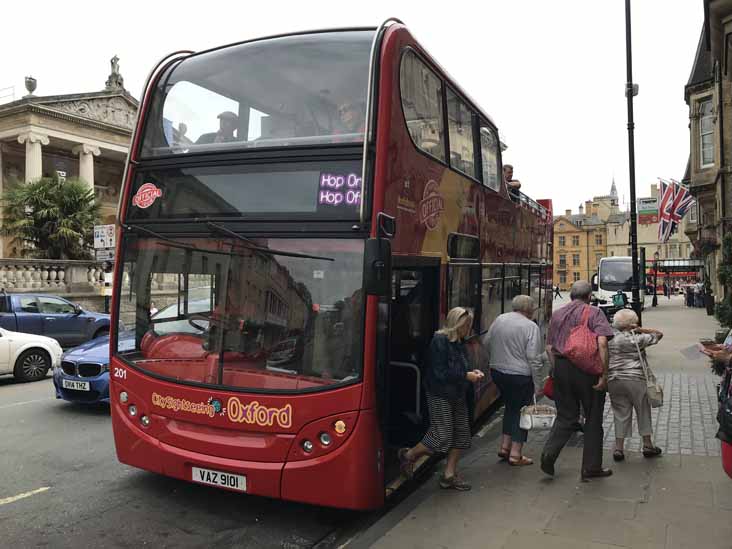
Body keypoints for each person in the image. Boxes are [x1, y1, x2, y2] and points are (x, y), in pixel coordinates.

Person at [398, 307, 485, 491]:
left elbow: (463, 365)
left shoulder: (459, 341)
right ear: (457, 324)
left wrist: (472, 371)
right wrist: (466, 375)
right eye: (466, 324)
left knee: (461, 435)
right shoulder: (440, 340)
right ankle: (409, 455)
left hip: (458, 393)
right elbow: (440, 373)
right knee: (442, 435)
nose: (469, 328)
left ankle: (449, 475)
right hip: (440, 394)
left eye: (470, 324)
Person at [541, 280, 615, 480]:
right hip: (587, 370)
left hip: (562, 367)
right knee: (592, 417)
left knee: (566, 415)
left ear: (572, 295)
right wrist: (604, 374)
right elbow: (602, 343)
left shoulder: (557, 314)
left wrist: (557, 371)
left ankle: (549, 454)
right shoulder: (594, 312)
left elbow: (549, 347)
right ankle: (591, 467)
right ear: (589, 296)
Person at [483, 295, 544, 466]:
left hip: (498, 372)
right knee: (523, 412)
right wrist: (538, 385)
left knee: (510, 407)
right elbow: (534, 358)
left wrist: (496, 360)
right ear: (529, 309)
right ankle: (515, 454)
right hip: (520, 376)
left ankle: (504, 447)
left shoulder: (500, 319)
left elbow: (487, 342)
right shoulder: (531, 327)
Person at [607, 309, 664, 461]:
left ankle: (618, 448)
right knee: (643, 410)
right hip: (635, 378)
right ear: (632, 324)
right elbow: (658, 334)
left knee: (620, 413)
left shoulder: (609, 339)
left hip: (614, 379)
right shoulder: (638, 339)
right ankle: (647, 445)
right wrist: (639, 329)